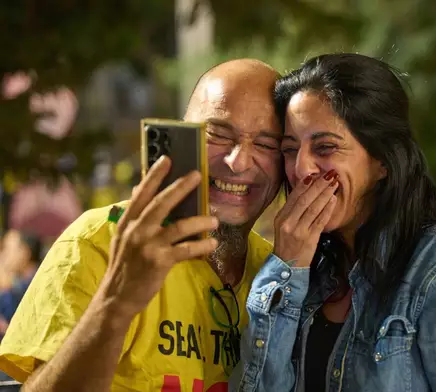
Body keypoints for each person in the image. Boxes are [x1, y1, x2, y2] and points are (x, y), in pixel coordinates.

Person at [229, 53, 436, 392]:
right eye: (290, 149)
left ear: (382, 161)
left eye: (325, 148)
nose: (302, 169)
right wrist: (286, 269)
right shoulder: (303, 276)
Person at [0, 59, 284, 392]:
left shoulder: (280, 271)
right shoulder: (97, 239)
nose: (238, 161)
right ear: (182, 137)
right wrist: (117, 300)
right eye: (217, 134)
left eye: (266, 144)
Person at [0, 230, 42, 337]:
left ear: (25, 252)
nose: (2, 255)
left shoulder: (33, 286)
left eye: (6, 249)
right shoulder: (20, 283)